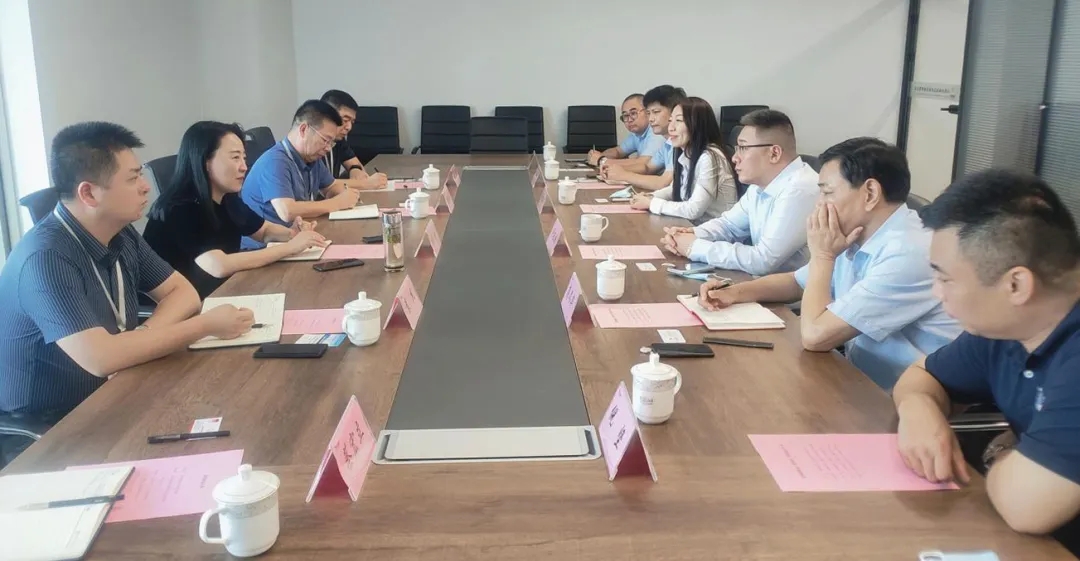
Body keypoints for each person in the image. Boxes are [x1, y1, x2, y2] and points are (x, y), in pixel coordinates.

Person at [0, 122, 254, 463]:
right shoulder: (45, 258)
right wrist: (204, 325)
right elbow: (101, 359)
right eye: (133, 178)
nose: (146, 186)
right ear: (89, 194)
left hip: (120, 386)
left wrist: (140, 339)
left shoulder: (119, 232)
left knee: (233, 416)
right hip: (53, 426)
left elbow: (182, 292)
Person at [892, 170, 1080, 545]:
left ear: (1016, 285)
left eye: (946, 279)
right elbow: (922, 376)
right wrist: (919, 411)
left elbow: (1026, 507)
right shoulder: (1009, 326)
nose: (937, 293)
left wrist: (999, 450)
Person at [698, 138, 959, 389]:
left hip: (897, 398)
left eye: (827, 192)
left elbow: (816, 336)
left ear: (870, 193)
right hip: (853, 375)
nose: (819, 204)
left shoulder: (908, 252)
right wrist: (734, 292)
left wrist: (823, 256)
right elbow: (796, 282)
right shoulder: (859, 233)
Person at [144, 121, 330, 299]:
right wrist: (290, 248)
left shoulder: (226, 197)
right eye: (235, 158)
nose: (244, 167)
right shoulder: (180, 208)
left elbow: (264, 231)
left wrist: (292, 234)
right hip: (180, 305)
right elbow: (218, 265)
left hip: (218, 290)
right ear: (205, 162)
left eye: (244, 158)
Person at [661, 109, 818, 275]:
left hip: (795, 290)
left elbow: (763, 260)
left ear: (774, 153)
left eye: (743, 148)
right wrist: (691, 234)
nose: (735, 158)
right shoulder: (760, 184)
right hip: (764, 283)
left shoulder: (800, 189)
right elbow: (729, 226)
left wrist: (694, 247)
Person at [240, 99, 360, 248]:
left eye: (332, 143)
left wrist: (347, 195)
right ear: (303, 129)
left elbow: (331, 187)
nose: (328, 148)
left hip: (295, 239)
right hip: (263, 250)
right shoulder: (275, 161)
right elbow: (287, 211)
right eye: (325, 140)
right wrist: (337, 203)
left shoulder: (312, 157)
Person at [629, 97, 736, 225]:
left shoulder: (710, 157)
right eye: (670, 120)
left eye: (679, 120)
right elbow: (675, 188)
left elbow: (694, 210)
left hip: (716, 232)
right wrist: (651, 196)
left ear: (697, 124)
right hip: (693, 227)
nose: (671, 127)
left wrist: (652, 203)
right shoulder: (686, 153)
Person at [599, 85, 686, 191]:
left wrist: (624, 175)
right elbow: (647, 167)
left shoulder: (681, 143)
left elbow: (664, 183)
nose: (651, 119)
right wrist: (614, 170)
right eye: (648, 113)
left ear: (675, 112)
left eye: (656, 112)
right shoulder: (668, 143)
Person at [319, 89, 388, 189]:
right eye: (345, 120)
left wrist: (354, 169)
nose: (349, 127)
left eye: (352, 122)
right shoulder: (312, 146)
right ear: (326, 115)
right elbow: (323, 185)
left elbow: (354, 162)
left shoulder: (338, 139)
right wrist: (367, 184)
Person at [586, 93, 667, 167]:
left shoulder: (657, 132)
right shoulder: (637, 134)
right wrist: (598, 156)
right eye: (625, 115)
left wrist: (601, 161)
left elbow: (644, 164)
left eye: (633, 113)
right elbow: (618, 151)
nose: (629, 120)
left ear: (647, 112)